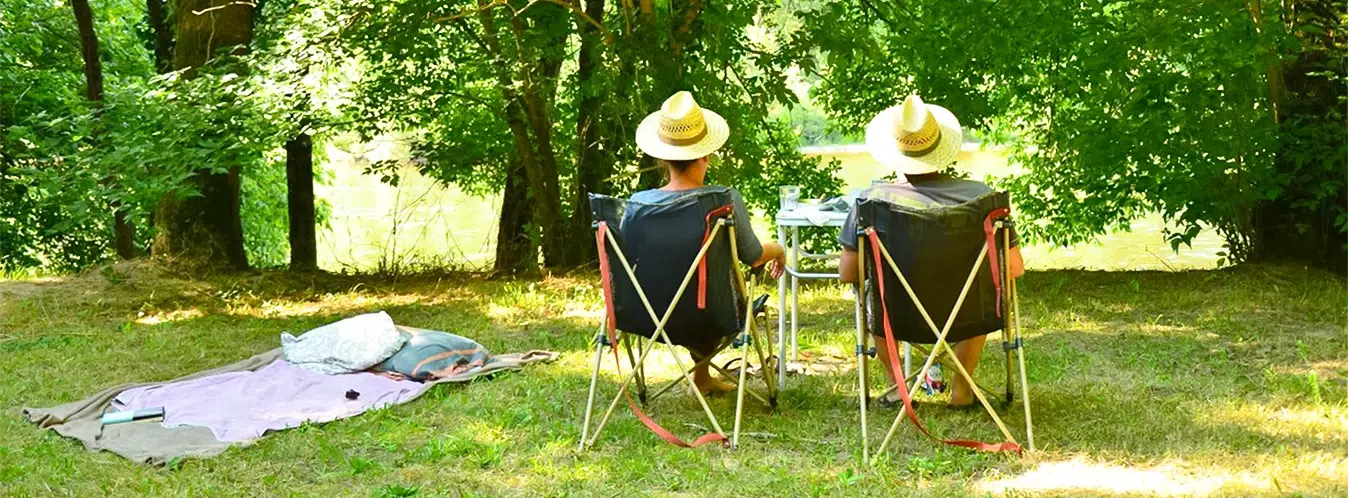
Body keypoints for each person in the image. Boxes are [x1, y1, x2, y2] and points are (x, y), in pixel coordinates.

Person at [837, 95, 1025, 408]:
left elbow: (847, 273)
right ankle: (962, 389)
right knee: (981, 291)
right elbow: (1014, 268)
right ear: (941, 150)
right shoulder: (982, 198)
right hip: (968, 316)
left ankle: (896, 386)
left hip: (898, 316)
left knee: (876, 295)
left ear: (895, 152)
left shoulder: (872, 202)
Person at [628, 91, 787, 395]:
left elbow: (627, 259)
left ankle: (702, 378)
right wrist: (778, 249)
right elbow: (753, 256)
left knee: (689, 284)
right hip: (714, 314)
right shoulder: (723, 200)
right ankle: (701, 378)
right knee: (705, 291)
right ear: (705, 155)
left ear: (662, 159)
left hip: (647, 314)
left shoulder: (639, 204)